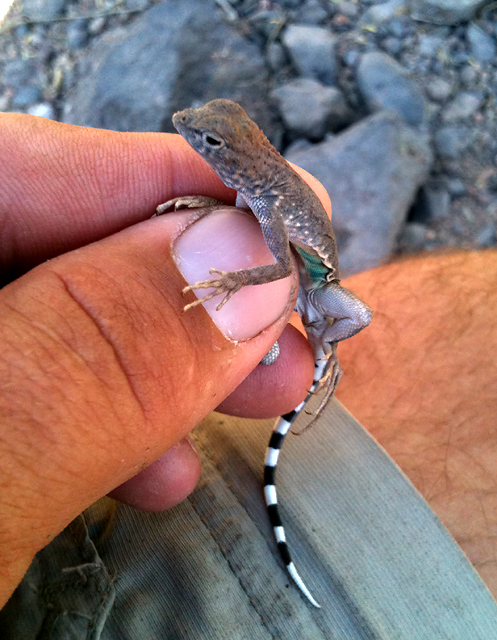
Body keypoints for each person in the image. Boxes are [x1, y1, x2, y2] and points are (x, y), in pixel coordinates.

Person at [0, 112, 496, 611]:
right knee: (271, 358)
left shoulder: (267, 197)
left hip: (318, 290)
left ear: (239, 157)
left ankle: (328, 355)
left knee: (358, 315)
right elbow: (242, 221)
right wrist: (204, 206)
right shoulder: (254, 190)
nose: (185, 127)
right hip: (289, 291)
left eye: (210, 140)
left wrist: (235, 281)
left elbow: (280, 265)